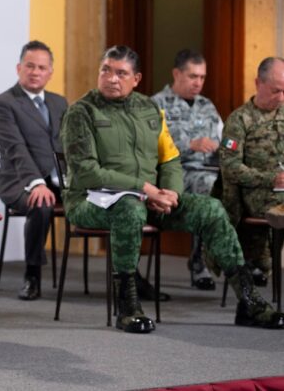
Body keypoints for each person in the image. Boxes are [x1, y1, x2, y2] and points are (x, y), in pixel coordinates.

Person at [61, 45, 284, 333]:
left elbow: (170, 158)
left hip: (148, 200)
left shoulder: (149, 109)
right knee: (128, 208)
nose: (112, 78)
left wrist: (171, 193)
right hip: (92, 201)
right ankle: (128, 307)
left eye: (121, 73)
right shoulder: (81, 112)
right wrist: (145, 190)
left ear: (136, 78)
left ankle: (249, 301)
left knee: (212, 209)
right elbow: (87, 172)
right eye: (106, 70)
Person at [0, 40, 67, 300]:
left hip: (59, 180)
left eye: (42, 68)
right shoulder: (3, 103)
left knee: (107, 199)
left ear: (50, 72)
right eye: (30, 66)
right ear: (18, 68)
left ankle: (126, 276)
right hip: (19, 180)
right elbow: (15, 149)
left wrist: (71, 180)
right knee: (41, 203)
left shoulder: (59, 103)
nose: (35, 72)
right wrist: (36, 182)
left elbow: (66, 146)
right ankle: (32, 275)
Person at [152, 49, 223, 290]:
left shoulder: (207, 106)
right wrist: (189, 146)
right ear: (176, 73)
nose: (198, 82)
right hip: (174, 173)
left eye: (202, 77)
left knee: (232, 187)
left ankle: (247, 261)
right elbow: (150, 148)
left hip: (210, 169)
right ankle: (199, 262)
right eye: (193, 76)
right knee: (210, 188)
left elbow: (222, 140)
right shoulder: (157, 104)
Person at [220, 57, 284, 282]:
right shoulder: (240, 120)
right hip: (256, 192)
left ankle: (262, 261)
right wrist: (271, 179)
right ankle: (258, 260)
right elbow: (230, 168)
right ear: (258, 83)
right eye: (276, 91)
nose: (281, 98)